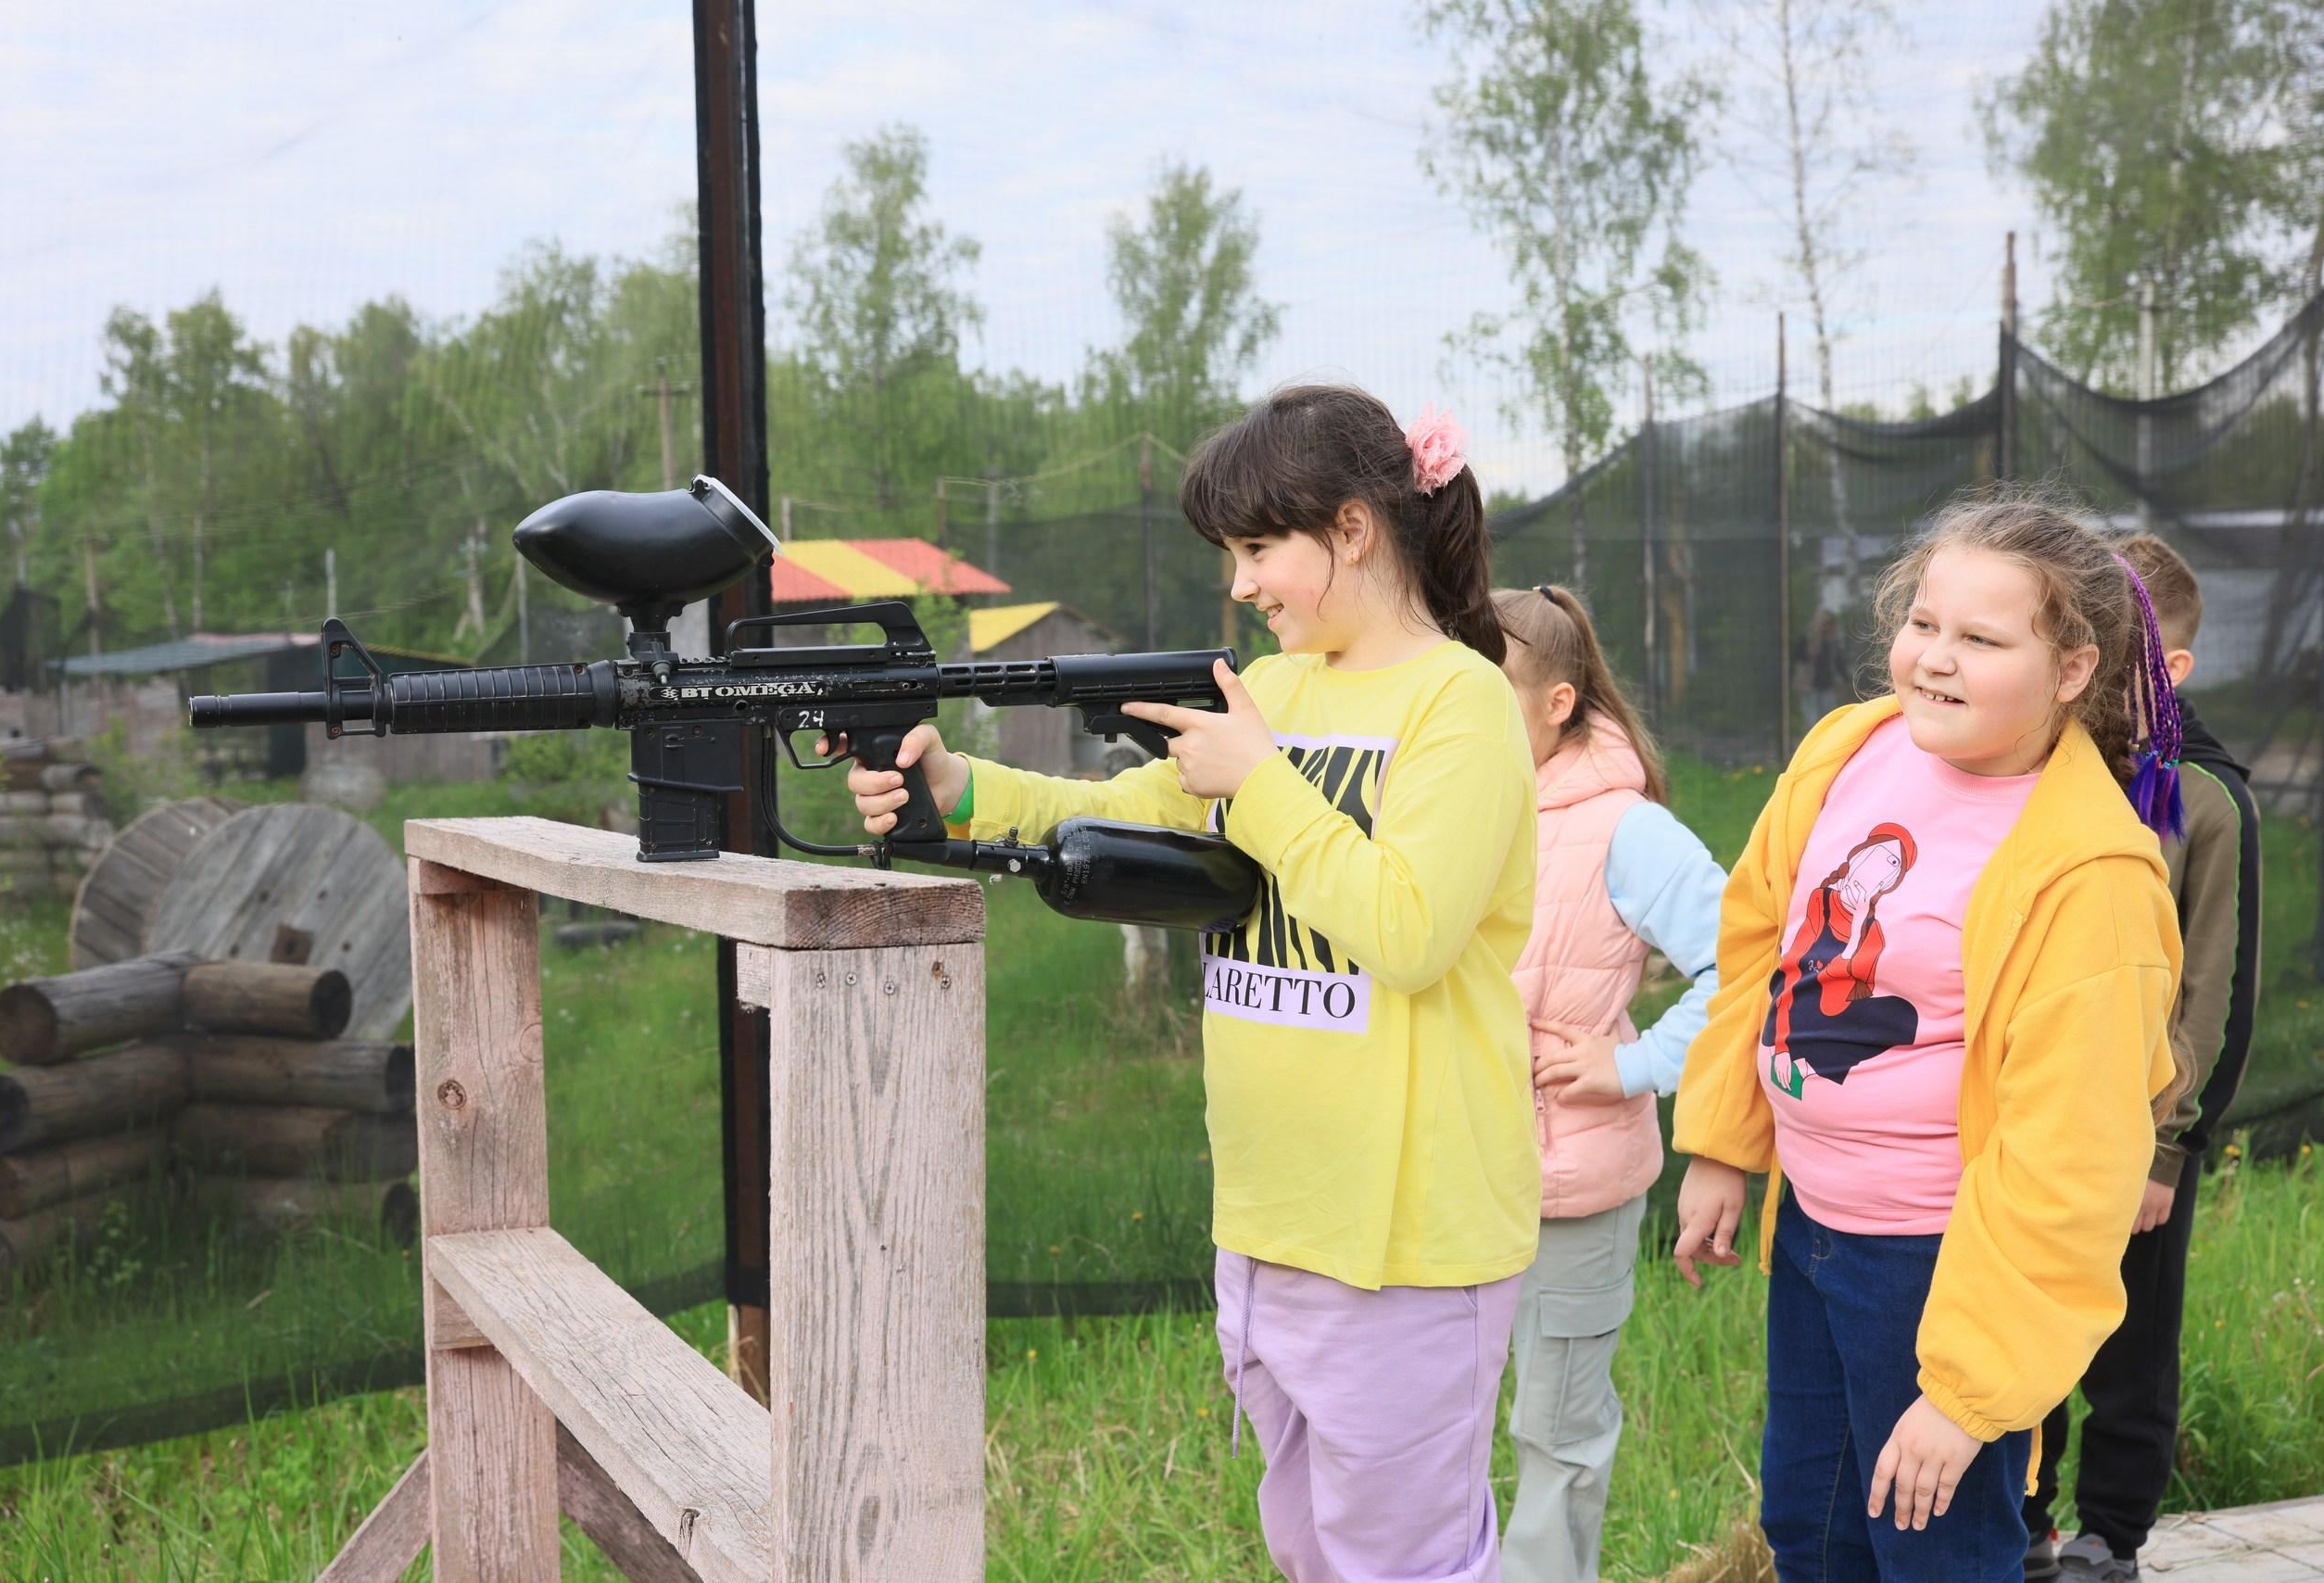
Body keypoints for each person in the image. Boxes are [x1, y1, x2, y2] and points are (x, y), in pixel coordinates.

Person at [842, 386, 1543, 1582]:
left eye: (1260, 549)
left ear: (1354, 528)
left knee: (1406, 1562)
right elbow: (1131, 812)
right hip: (1271, 1219)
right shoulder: (1279, 692)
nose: (1241, 584)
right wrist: (963, 791)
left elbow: (1411, 930)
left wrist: (1261, 783)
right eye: (1232, 554)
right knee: (1309, 1544)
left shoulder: (1460, 701)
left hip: (1410, 1241)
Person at [1670, 486, 2186, 1583]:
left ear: (2073, 669)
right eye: (1922, 623)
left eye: (1981, 640)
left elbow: (2072, 1161)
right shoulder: (1849, 747)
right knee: (1811, 1532)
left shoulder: (2092, 874)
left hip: (1935, 1265)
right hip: (1811, 1228)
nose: (1935, 659)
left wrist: (1966, 1390)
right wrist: (1723, 1139)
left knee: (1935, 1555)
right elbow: (1761, 946)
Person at [2022, 531, 2265, 1583]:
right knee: (2027, 1314)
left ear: (2170, 668)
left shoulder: (2207, 803)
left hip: (2141, 1134)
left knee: (2129, 1340)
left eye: (2113, 657)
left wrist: (2168, 1149)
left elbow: (2217, 990)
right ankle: (2022, 1515)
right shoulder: (2047, 773)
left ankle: (2109, 1534)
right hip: (2037, 1116)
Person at [1489, 584, 1728, 1583]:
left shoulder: (1626, 830)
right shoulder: (1443, 805)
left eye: (1488, 692)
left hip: (1570, 1189)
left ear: (1557, 703)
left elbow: (1746, 967)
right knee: (1436, 1427)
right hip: (1442, 1185)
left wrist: (1633, 1065)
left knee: (1555, 1433)